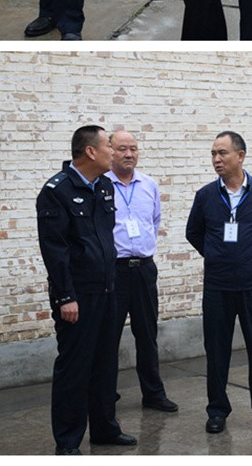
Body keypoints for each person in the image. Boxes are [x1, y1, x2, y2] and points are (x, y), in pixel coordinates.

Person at [36, 125, 137, 454]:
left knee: (106, 365)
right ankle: (67, 442)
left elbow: (105, 239)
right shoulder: (56, 191)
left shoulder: (104, 187)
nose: (114, 152)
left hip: (107, 290)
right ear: (91, 152)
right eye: (109, 146)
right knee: (75, 369)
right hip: (78, 297)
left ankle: (105, 428)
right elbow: (55, 251)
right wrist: (66, 296)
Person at [186, 131, 252, 433]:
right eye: (213, 154)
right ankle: (217, 410)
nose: (216, 159)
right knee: (216, 352)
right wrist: (216, 254)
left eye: (223, 153)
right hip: (218, 286)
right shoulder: (206, 195)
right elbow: (193, 233)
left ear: (240, 156)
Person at [106, 130, 177, 413]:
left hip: (144, 270)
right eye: (122, 148)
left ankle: (153, 394)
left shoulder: (148, 184)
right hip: (114, 271)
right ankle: (105, 394)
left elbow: (154, 220)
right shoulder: (101, 185)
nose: (129, 154)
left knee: (147, 334)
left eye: (133, 148)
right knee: (108, 336)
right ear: (110, 151)